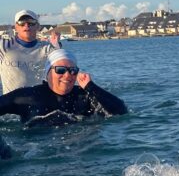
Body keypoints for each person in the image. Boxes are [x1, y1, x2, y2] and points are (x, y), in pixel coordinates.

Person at [0, 49, 128, 126]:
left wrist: (91, 87)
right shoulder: (28, 96)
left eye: (73, 70)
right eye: (60, 70)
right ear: (48, 72)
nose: (67, 75)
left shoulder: (84, 96)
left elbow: (121, 112)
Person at [0, 10, 61, 93]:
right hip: (10, 100)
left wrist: (57, 47)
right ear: (16, 27)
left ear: (38, 26)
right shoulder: (4, 46)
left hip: (38, 99)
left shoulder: (47, 49)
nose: (26, 25)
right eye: (22, 23)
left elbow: (62, 68)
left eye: (31, 22)